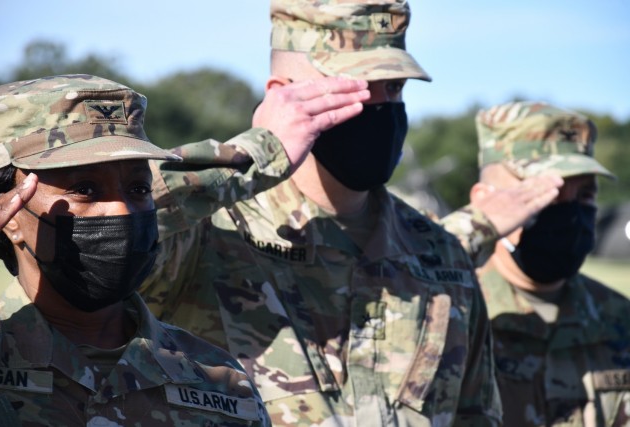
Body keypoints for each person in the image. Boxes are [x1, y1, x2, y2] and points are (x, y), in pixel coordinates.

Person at [140, 1, 526, 425]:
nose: (379, 107)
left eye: (394, 88)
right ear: (280, 94)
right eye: (354, 86)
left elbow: (476, 415)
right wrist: (254, 152)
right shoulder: (206, 229)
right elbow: (103, 219)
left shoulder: (439, 255)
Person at [0, 73, 369, 425]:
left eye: (138, 189)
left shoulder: (220, 381)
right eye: (85, 189)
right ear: (8, 215)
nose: (122, 210)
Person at [464, 101, 630, 426]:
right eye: (547, 194)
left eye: (584, 196)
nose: (568, 213)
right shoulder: (456, 317)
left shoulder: (619, 319)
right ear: (483, 200)